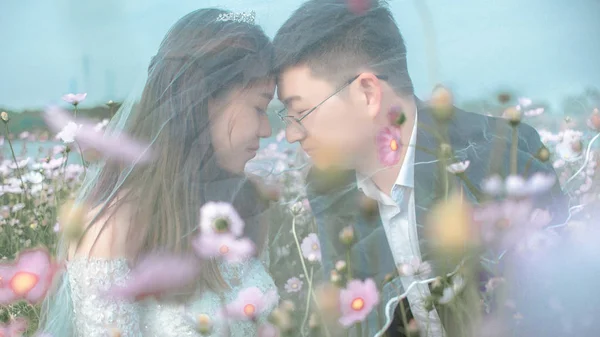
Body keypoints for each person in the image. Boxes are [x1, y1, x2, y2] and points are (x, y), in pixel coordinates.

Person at [272, 0, 569, 336]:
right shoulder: (329, 191)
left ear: (367, 93)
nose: (292, 134)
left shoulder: (503, 157)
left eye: (300, 112)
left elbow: (558, 311)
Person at [40, 8, 278, 337]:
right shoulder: (115, 227)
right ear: (207, 99)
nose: (266, 129)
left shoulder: (243, 206)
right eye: (259, 108)